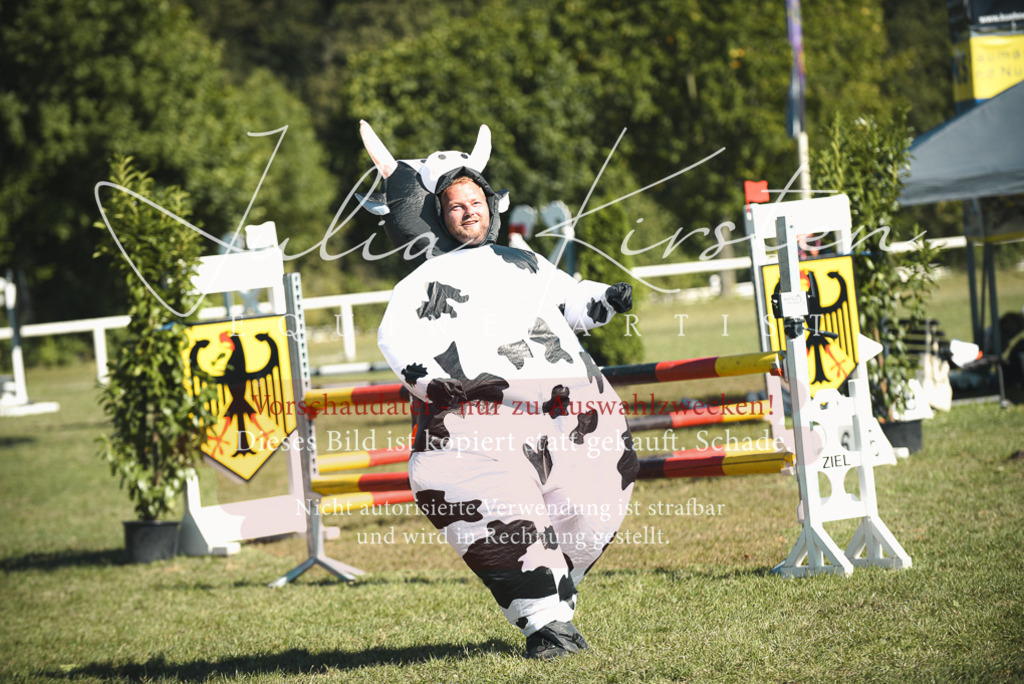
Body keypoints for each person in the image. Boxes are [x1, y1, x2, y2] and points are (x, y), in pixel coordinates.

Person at [366, 125, 637, 660]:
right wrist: (437, 383)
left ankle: (554, 601)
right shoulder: (420, 283)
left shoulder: (523, 261)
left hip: (563, 407)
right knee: (493, 501)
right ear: (436, 217)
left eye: (475, 201)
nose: (469, 211)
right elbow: (398, 340)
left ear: (490, 203)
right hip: (480, 417)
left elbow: (566, 300)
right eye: (454, 206)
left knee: (594, 493)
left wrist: (604, 298)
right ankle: (545, 623)